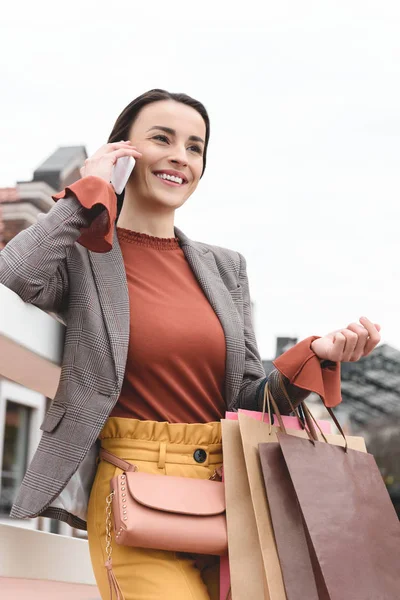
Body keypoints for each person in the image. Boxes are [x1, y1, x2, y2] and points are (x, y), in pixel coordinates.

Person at [0, 89, 381, 600]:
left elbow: (247, 398)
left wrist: (315, 355)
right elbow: (16, 272)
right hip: (132, 486)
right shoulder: (85, 251)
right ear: (121, 152)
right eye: (162, 138)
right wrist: (91, 188)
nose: (182, 155)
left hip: (231, 493)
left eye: (195, 146)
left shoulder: (226, 268)